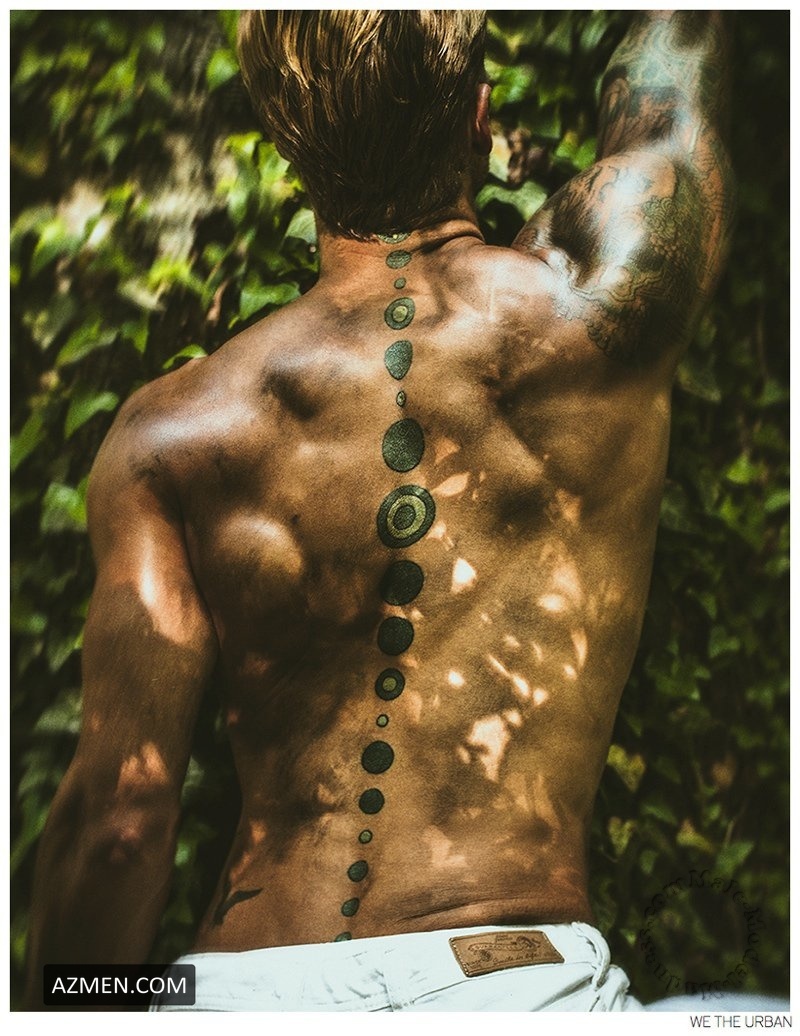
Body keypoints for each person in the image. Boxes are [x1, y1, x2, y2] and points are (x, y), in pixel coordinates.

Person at [25, 9, 735, 1012]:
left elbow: (120, 823)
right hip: (506, 987)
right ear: (480, 115)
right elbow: (674, 86)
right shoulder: (589, 309)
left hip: (238, 992)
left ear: (286, 144)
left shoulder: (170, 434)